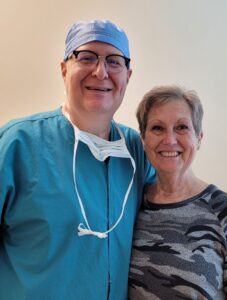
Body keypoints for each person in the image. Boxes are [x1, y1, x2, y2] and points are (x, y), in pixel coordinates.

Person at [0, 20, 155, 300]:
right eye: (86, 57)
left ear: (128, 76)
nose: (101, 72)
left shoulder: (139, 150)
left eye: (114, 61)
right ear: (63, 69)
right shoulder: (17, 143)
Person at [128, 85, 227, 299]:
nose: (169, 140)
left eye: (182, 127)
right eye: (157, 128)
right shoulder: (130, 205)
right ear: (143, 138)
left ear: (199, 137)